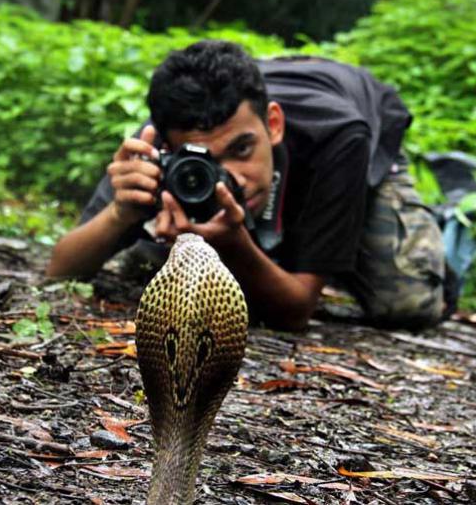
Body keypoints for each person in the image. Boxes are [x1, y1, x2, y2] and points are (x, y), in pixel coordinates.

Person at [47, 40, 446, 331]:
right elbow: (60, 269)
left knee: (406, 302)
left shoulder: (340, 137)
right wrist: (122, 212)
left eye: (241, 148)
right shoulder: (158, 146)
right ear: (169, 147)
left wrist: (235, 245)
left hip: (357, 120)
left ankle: (441, 229)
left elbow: (296, 311)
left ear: (272, 124)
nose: (232, 178)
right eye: (203, 163)